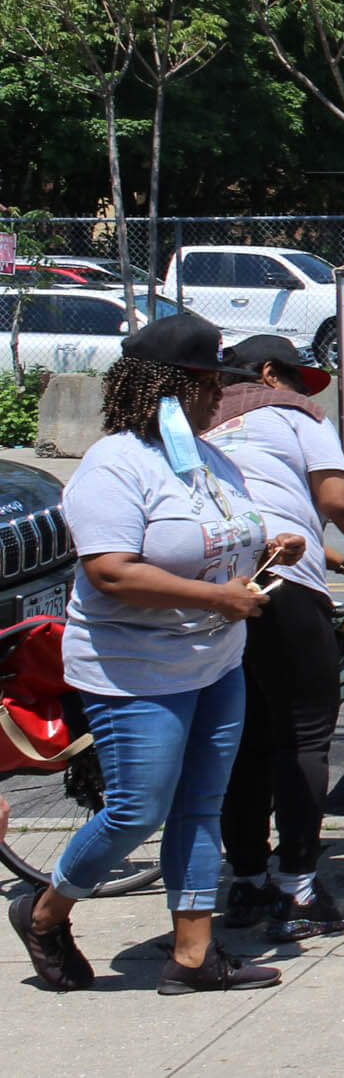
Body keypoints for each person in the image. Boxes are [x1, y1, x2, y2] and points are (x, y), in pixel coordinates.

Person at [9, 315, 305, 994]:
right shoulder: (112, 466)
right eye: (211, 385)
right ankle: (45, 912)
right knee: (137, 810)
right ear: (173, 387)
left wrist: (265, 552)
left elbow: (213, 540)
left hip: (213, 664)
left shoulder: (204, 459)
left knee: (201, 805)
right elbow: (111, 571)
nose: (221, 399)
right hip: (133, 672)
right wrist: (216, 601)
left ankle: (195, 955)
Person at [205, 335, 344, 941]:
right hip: (284, 587)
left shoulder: (200, 416)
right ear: (270, 373)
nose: (302, 393)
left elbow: (262, 502)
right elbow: (337, 497)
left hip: (214, 590)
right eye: (295, 379)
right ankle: (298, 889)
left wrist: (337, 561)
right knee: (305, 736)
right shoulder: (295, 414)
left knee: (244, 740)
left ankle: (244, 884)